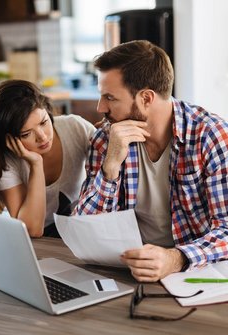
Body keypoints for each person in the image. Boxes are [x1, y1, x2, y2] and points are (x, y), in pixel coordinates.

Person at [74, 40, 228, 282]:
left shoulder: (210, 136)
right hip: (127, 271)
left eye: (110, 98)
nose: (100, 107)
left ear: (146, 98)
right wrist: (110, 167)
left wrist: (175, 258)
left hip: (195, 272)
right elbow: (83, 230)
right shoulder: (106, 139)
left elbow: (226, 229)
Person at [0, 79, 95, 237]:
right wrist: (35, 164)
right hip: (29, 240)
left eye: (44, 122)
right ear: (8, 138)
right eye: (26, 134)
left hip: (75, 233)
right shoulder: (4, 161)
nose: (42, 137)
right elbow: (32, 230)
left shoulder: (76, 128)